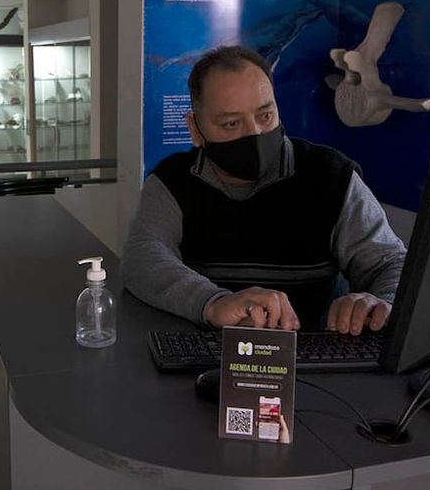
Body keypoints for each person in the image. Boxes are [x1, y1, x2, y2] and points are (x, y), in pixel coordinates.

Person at [122, 46, 407, 334]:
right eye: (231, 123)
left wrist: (381, 300)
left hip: (311, 352)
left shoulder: (332, 176)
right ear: (195, 129)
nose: (255, 133)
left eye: (265, 115)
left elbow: (391, 262)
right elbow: (143, 256)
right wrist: (213, 303)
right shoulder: (172, 181)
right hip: (203, 353)